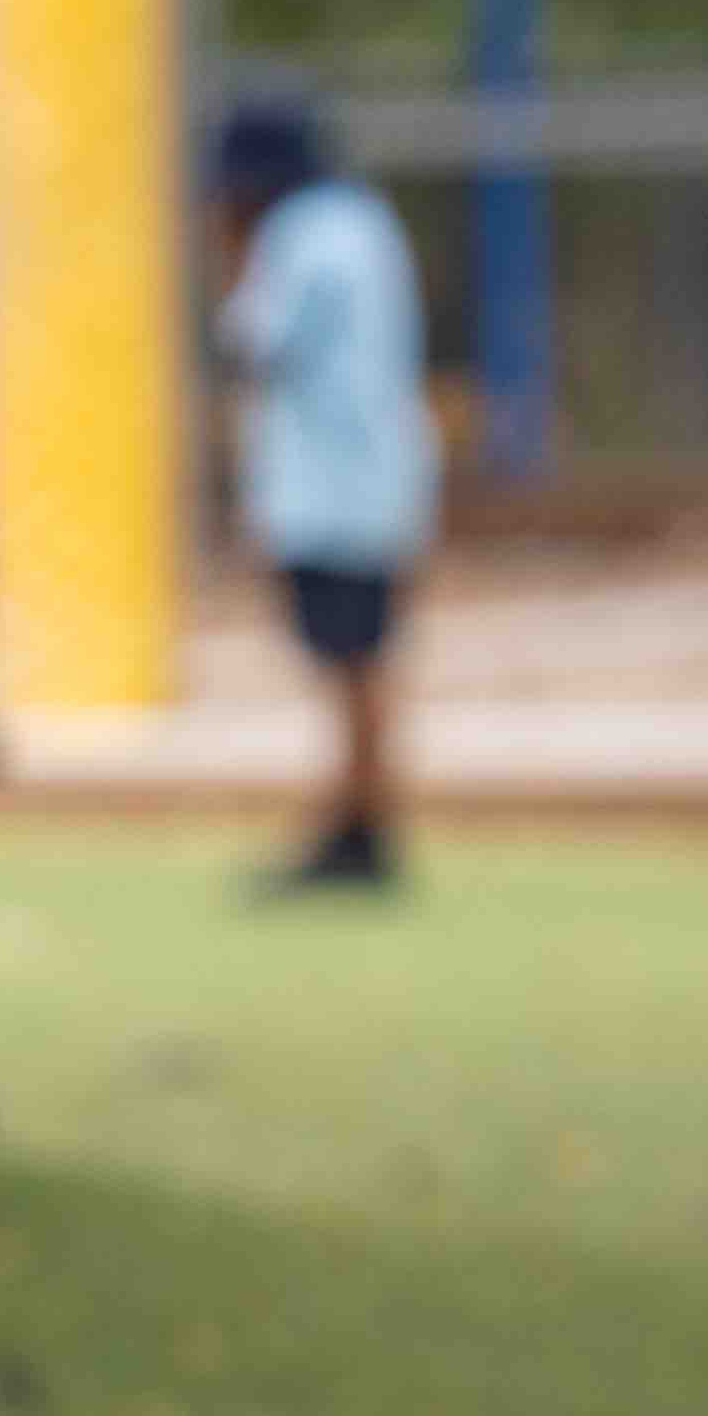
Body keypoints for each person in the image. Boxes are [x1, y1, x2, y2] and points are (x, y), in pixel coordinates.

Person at [210, 94, 441, 897]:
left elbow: (256, 341)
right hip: (381, 473)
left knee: (349, 663)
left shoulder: (296, 235)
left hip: (331, 486)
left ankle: (356, 827)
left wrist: (232, 262)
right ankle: (361, 817)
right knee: (362, 659)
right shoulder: (366, 224)